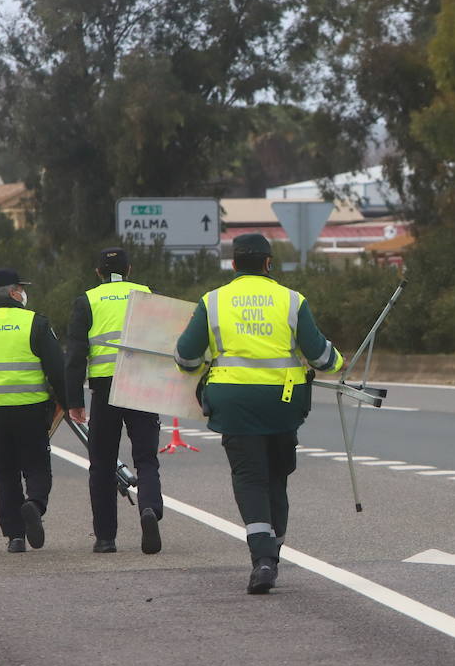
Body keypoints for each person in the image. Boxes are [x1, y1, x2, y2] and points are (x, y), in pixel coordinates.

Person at [174, 233, 343, 594]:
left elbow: (186, 358)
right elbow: (322, 357)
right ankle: (274, 552)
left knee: (249, 478)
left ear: (233, 264)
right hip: (283, 404)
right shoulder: (292, 300)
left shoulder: (213, 301)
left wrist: (202, 364)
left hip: (233, 404)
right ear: (269, 263)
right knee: (277, 477)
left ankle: (262, 558)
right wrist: (338, 359)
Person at [0, 268, 67, 553]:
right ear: (14, 293)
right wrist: (69, 402)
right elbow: (57, 369)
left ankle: (15, 537)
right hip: (30, 409)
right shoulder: (34, 323)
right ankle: (34, 504)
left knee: (5, 474)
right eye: (20, 287)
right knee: (36, 466)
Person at [65, 247, 165, 554]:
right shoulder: (147, 294)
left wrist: (74, 401)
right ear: (129, 269)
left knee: (102, 464)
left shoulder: (88, 300)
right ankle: (148, 508)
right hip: (142, 385)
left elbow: (76, 356)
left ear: (98, 273)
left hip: (105, 389)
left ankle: (106, 538)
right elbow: (165, 341)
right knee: (146, 458)